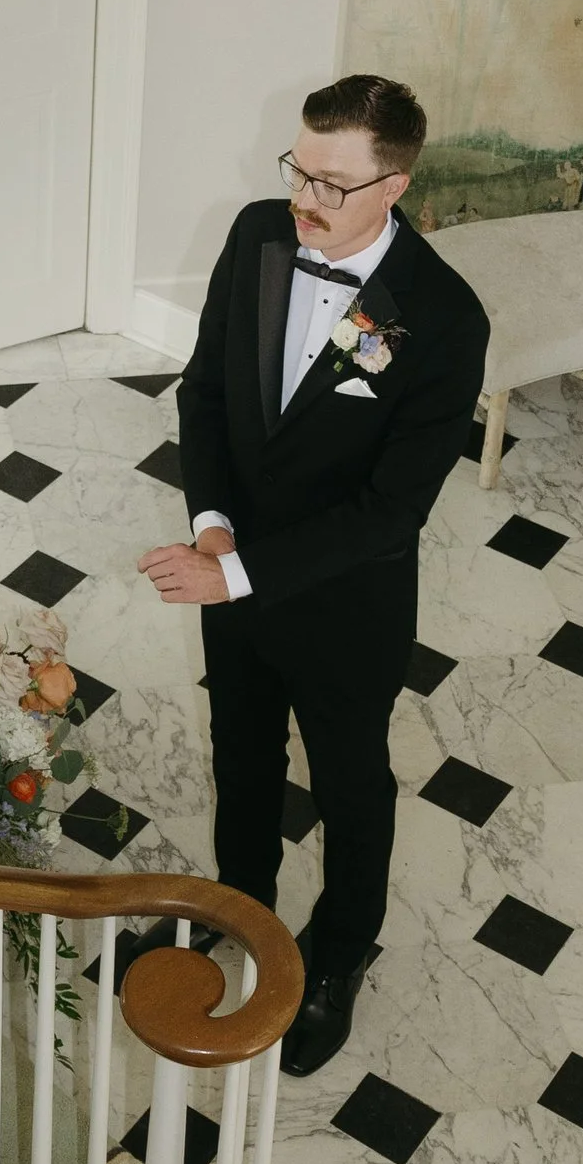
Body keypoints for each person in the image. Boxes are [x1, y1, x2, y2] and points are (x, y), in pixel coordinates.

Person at [139, 74, 489, 1080]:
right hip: (228, 573)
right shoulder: (256, 233)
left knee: (350, 781)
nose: (307, 198)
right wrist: (211, 529)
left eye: (335, 183)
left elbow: (391, 511)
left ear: (397, 185)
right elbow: (204, 390)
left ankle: (339, 954)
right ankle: (237, 904)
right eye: (301, 167)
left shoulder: (444, 316)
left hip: (346, 604)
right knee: (239, 753)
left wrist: (241, 572)